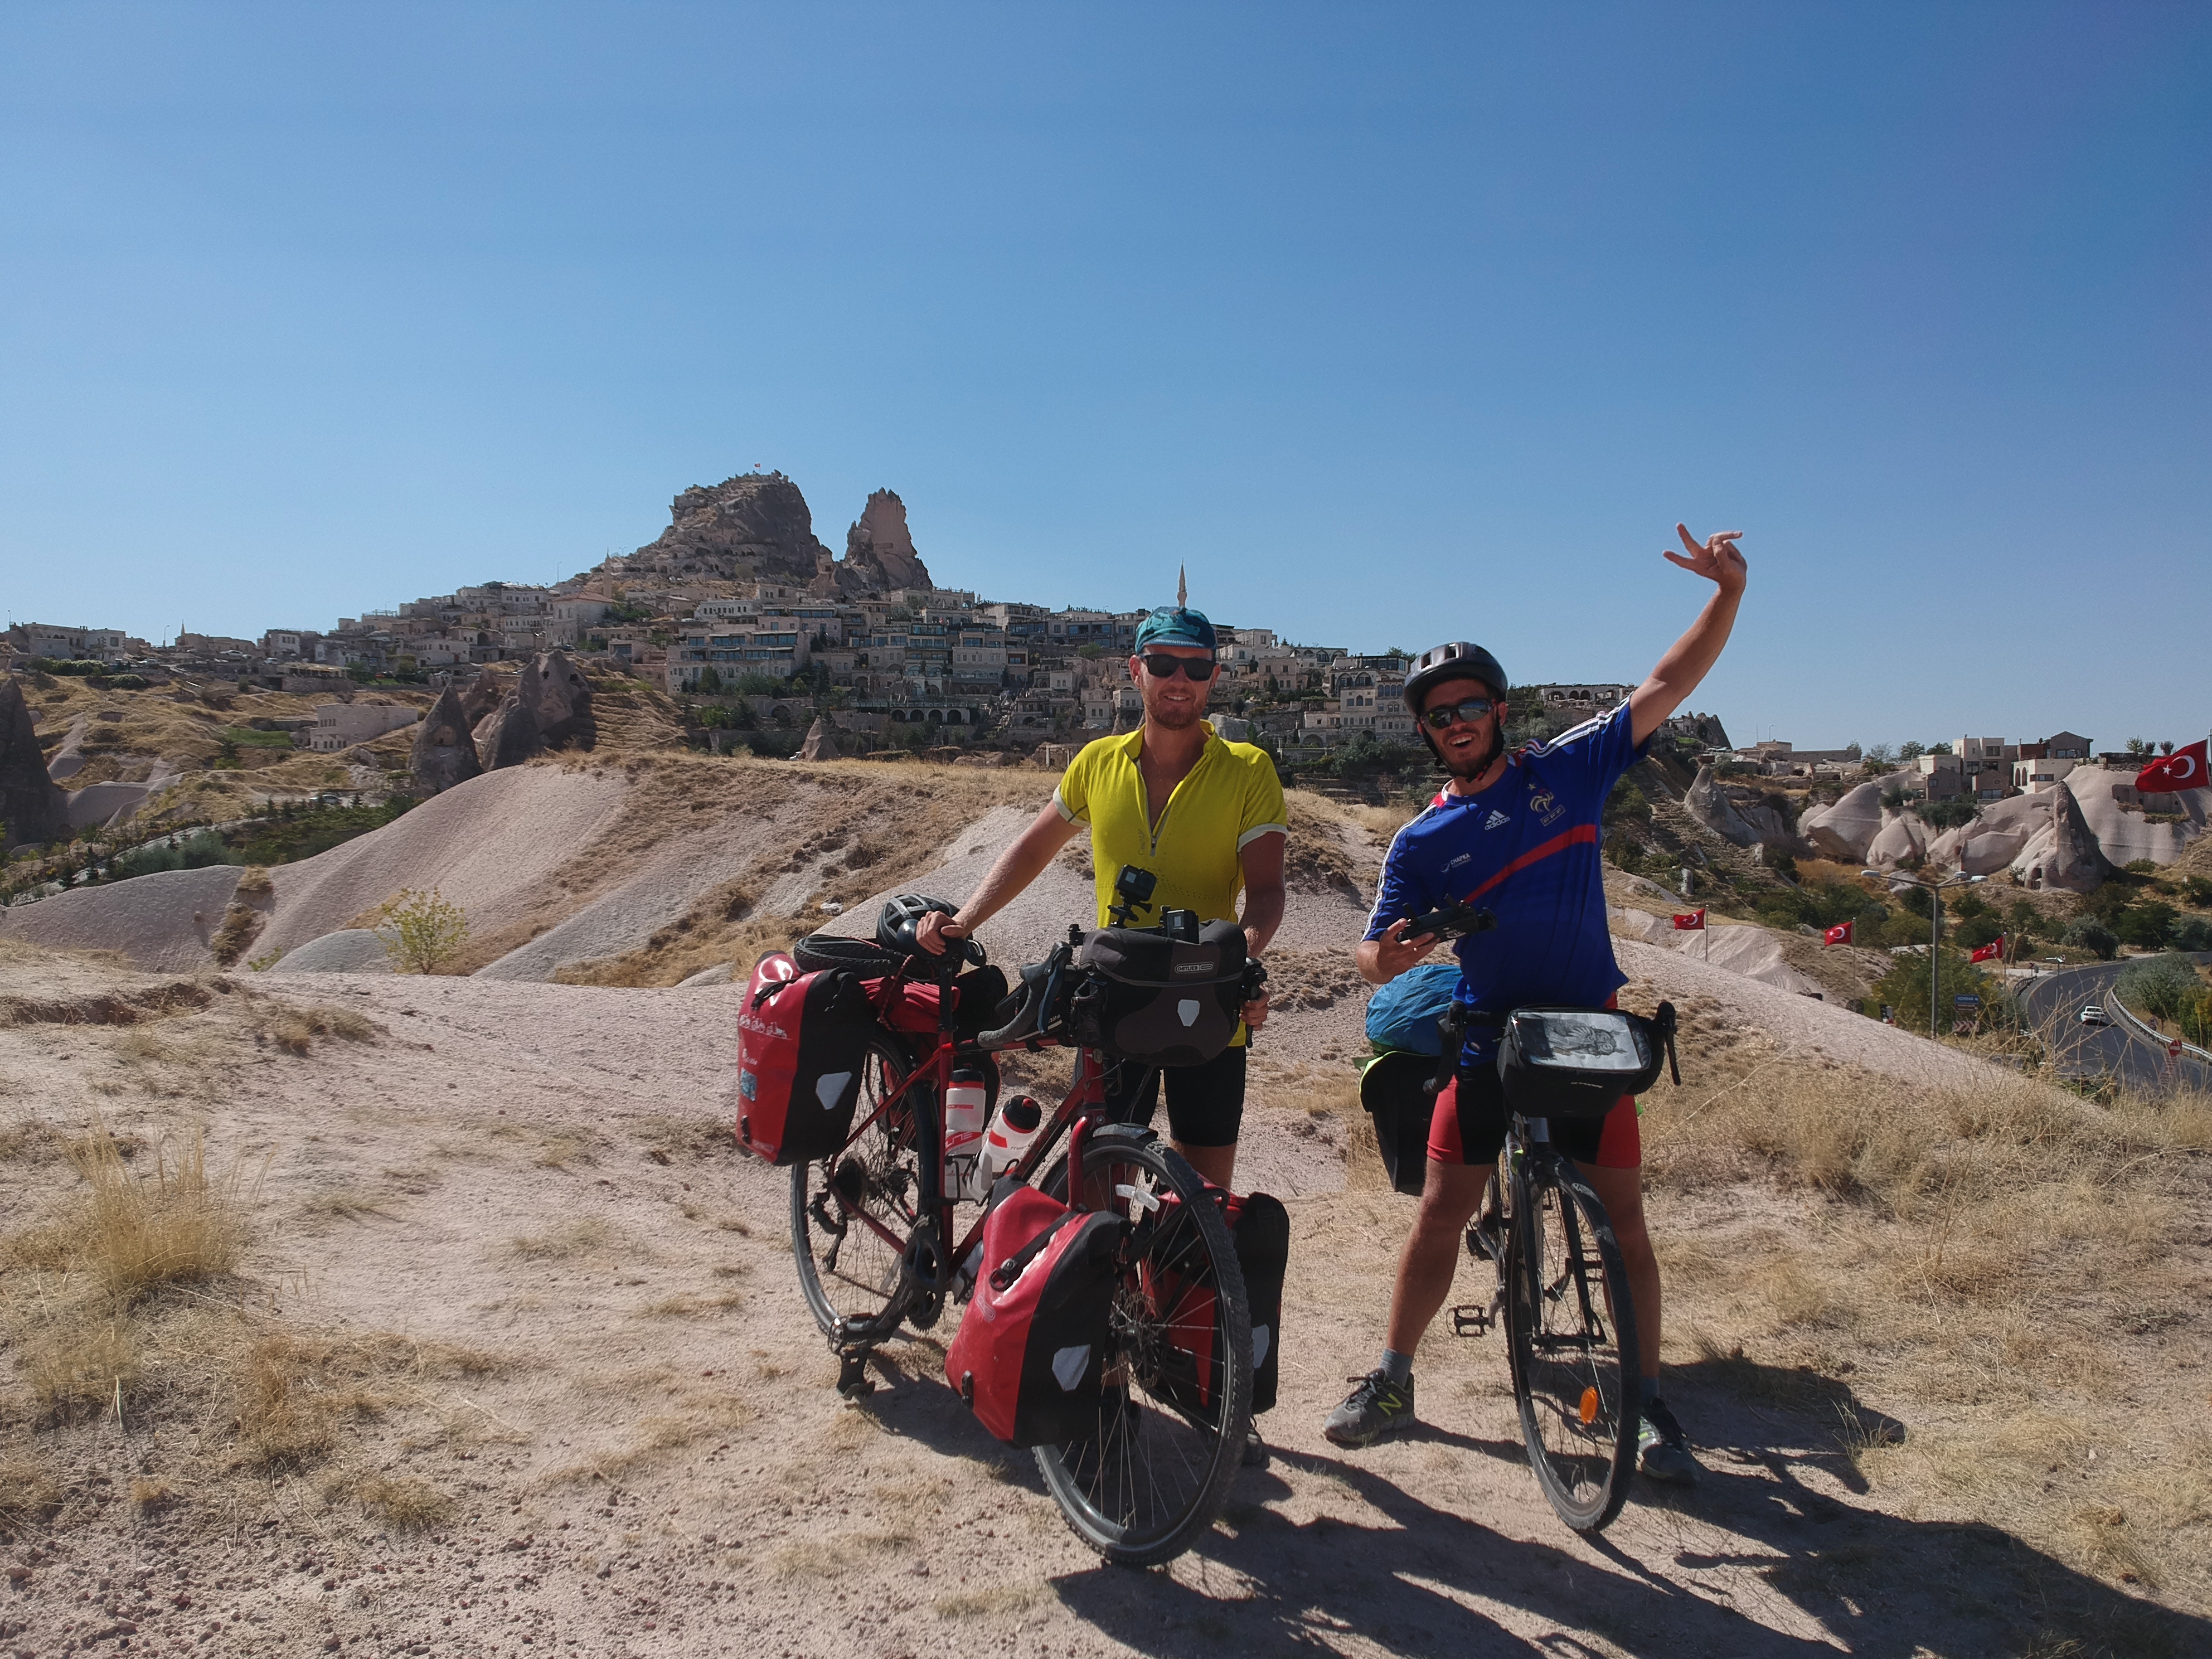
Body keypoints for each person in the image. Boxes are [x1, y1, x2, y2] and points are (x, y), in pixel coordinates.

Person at [1321, 523, 1748, 1486]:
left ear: (1497, 709)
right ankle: (1392, 1380)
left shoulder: (1565, 769)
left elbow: (1664, 687)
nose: (1457, 720)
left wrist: (1724, 595)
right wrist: (1392, 953)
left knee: (1624, 1225)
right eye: (1439, 713)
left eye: (1470, 703)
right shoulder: (1421, 842)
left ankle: (1641, 1400)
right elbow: (1367, 959)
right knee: (1437, 1214)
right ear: (1424, 730)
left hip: (1589, 1034)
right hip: (1488, 1041)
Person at [916, 605, 1284, 1189]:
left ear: (1215, 677)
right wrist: (963, 920)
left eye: (1195, 667)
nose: (1179, 680)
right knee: (1101, 1185)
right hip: (1118, 1001)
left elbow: (1265, 891)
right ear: (1135, 670)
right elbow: (1032, 850)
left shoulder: (1248, 770)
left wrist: (1243, 955)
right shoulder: (1096, 762)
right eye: (1163, 663)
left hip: (1208, 1004)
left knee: (1203, 1197)